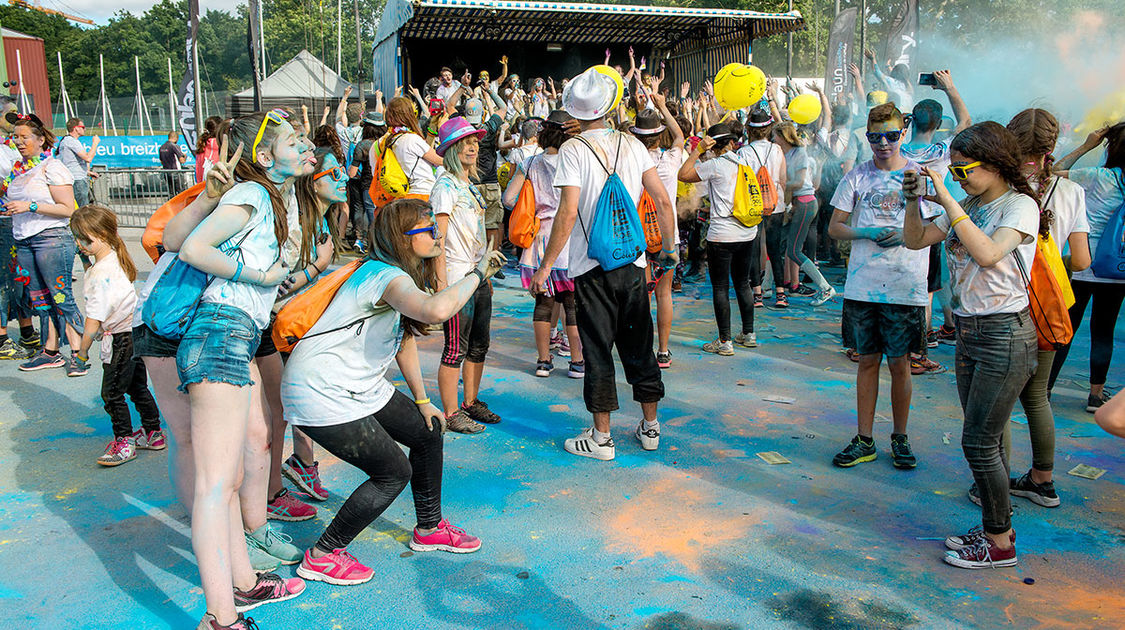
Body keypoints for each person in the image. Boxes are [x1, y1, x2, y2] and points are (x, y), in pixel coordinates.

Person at [283, 199, 503, 585]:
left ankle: (429, 527)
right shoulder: (383, 276)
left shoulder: (395, 274)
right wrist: (477, 274)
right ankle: (322, 554)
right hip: (321, 389)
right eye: (427, 229)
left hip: (357, 384)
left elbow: (403, 340)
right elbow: (435, 311)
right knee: (391, 472)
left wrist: (422, 401)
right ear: (402, 237)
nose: (437, 234)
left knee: (428, 431)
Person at [175, 111, 308, 629]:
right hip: (219, 334)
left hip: (235, 334)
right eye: (293, 141)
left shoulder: (274, 201)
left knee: (225, 480)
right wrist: (259, 275)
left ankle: (240, 587)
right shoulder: (250, 196)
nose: (304, 147)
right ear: (267, 153)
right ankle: (220, 618)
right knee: (214, 485)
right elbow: (192, 247)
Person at [903, 121, 1042, 570]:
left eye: (965, 171)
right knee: (987, 440)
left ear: (997, 164)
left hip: (1006, 333)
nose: (959, 178)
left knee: (978, 442)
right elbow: (916, 239)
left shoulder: (1019, 206)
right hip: (970, 331)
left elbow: (987, 254)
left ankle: (1001, 543)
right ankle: (992, 526)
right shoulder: (968, 202)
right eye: (954, 171)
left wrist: (943, 193)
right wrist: (912, 200)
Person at [530, 65, 678, 461]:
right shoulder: (632, 145)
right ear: (610, 106)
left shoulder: (573, 150)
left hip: (589, 268)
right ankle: (650, 426)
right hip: (632, 263)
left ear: (575, 112)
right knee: (639, 346)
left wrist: (545, 267)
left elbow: (567, 213)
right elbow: (663, 200)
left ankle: (601, 437)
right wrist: (670, 248)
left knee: (597, 350)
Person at [827, 102, 939, 470]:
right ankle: (864, 439)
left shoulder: (921, 177)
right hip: (863, 286)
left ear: (903, 133)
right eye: (875, 137)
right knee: (867, 362)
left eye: (891, 136)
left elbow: (941, 227)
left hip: (906, 285)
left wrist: (909, 236)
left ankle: (900, 438)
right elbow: (835, 227)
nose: (883, 144)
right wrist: (868, 232)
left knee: (901, 364)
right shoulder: (856, 176)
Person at [997, 108, 1091, 508]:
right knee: (1037, 397)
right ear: (1054, 147)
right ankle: (1042, 480)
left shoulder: (1002, 189)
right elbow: (1083, 261)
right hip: (1051, 305)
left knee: (998, 397)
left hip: (1007, 303)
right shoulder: (1073, 192)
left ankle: (994, 481)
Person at [71, 205, 163, 466]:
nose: (80, 244)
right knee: (137, 387)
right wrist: (86, 257)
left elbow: (93, 320)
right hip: (133, 333)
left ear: (102, 234)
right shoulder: (114, 255)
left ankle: (124, 441)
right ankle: (153, 432)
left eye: (85, 239)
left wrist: (82, 351)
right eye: (77, 239)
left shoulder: (101, 274)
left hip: (120, 340)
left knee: (111, 394)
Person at [431, 117, 503, 434]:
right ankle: (450, 412)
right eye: (465, 143)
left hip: (477, 274)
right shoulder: (444, 186)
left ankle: (470, 402)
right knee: (454, 348)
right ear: (451, 149)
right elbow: (438, 240)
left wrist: (484, 271)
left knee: (478, 344)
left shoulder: (468, 186)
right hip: (457, 279)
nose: (473, 147)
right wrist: (441, 284)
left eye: (474, 142)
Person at [1048, 121, 1125, 413]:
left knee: (1066, 327)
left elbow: (1054, 172)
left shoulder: (1098, 177)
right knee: (1104, 330)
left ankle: (1046, 387)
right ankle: (1096, 395)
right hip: (1119, 268)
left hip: (1083, 264)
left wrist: (1087, 145)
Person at [2, 113, 86, 375]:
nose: (19, 141)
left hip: (50, 239)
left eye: (25, 137)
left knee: (61, 298)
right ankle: (50, 351)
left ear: (40, 140)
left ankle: (78, 354)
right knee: (40, 300)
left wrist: (31, 205)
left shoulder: (52, 167)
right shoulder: (18, 170)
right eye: (15, 136)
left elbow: (68, 209)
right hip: (24, 241)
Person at [503, 109, 585, 378]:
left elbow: (508, 200)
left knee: (543, 304)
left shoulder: (530, 164)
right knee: (571, 304)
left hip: (539, 241)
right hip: (570, 239)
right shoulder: (577, 160)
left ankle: (543, 361)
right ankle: (576, 361)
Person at [678, 121, 760, 355]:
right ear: (732, 143)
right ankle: (748, 333)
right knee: (743, 283)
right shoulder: (745, 161)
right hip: (747, 231)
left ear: (712, 145)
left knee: (721, 287)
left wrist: (697, 150)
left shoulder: (714, 165)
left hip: (722, 234)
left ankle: (725, 341)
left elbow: (683, 174)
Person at [631, 92, 683, 367]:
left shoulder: (630, 158)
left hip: (637, 236)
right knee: (664, 294)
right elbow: (679, 137)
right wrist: (662, 105)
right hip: (666, 235)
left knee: (641, 295)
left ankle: (641, 349)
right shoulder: (671, 158)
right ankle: (663, 351)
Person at [773, 121, 836, 306]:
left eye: (775, 136)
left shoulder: (799, 153)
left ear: (783, 136)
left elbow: (799, 182)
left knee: (793, 250)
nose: (773, 139)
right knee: (790, 249)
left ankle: (825, 288)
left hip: (805, 203)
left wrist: (778, 183)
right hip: (799, 204)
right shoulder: (787, 153)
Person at [0, 96, 40, 360]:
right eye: (9, 114)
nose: (14, 118)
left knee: (21, 278)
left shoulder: (12, 145)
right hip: (3, 220)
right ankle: (2, 338)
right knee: (4, 279)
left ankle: (26, 330)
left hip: (19, 221)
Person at [739, 107, 787, 307]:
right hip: (776, 203)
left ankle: (757, 294)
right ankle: (781, 294)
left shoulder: (744, 152)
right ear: (768, 129)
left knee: (754, 247)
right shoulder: (777, 149)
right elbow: (783, 179)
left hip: (753, 204)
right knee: (775, 249)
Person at [375, 97, 443, 203]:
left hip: (406, 196)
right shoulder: (412, 139)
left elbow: (424, 150)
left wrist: (433, 125)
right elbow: (440, 161)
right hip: (423, 194)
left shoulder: (393, 139)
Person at [348, 111, 385, 252]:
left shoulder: (362, 145)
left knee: (362, 210)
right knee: (377, 213)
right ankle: (378, 243)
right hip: (385, 183)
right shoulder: (386, 143)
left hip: (366, 184)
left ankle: (362, 240)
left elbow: (352, 173)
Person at [56, 117, 99, 207]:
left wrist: (87, 172)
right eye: (83, 127)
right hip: (77, 181)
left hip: (74, 178)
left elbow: (69, 163)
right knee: (82, 211)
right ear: (76, 128)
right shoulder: (71, 141)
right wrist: (95, 143)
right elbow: (88, 158)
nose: (85, 129)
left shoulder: (65, 141)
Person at [195, 116, 223, 184]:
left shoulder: (202, 145)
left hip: (202, 186)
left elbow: (198, 170)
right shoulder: (221, 144)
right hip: (220, 186)